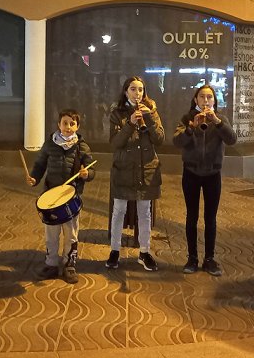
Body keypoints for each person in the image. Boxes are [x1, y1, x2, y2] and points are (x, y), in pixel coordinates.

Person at [173, 84, 237, 276]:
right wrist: (191, 127)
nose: (206, 100)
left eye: (210, 97)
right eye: (202, 97)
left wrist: (217, 121)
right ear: (196, 100)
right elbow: (177, 142)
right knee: (191, 217)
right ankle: (192, 257)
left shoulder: (221, 119)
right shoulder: (187, 118)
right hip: (191, 172)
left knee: (211, 218)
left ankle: (209, 258)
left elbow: (232, 140)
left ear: (215, 100)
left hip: (212, 174)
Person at [27, 109, 95, 284]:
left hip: (71, 197)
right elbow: (40, 164)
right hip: (51, 196)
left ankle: (69, 264)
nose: (68, 127)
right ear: (58, 125)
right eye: (65, 123)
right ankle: (51, 263)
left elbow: (91, 168)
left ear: (77, 126)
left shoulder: (81, 146)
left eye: (72, 123)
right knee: (52, 233)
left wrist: (87, 174)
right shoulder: (50, 144)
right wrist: (34, 178)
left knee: (71, 233)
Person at [105, 76, 165, 271]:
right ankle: (114, 251)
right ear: (126, 91)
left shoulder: (152, 111)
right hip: (124, 169)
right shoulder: (117, 113)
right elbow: (115, 143)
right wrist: (130, 123)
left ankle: (144, 252)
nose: (137, 93)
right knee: (119, 210)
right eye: (133, 89)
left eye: (140, 90)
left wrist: (148, 118)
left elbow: (160, 139)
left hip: (146, 169)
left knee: (144, 213)